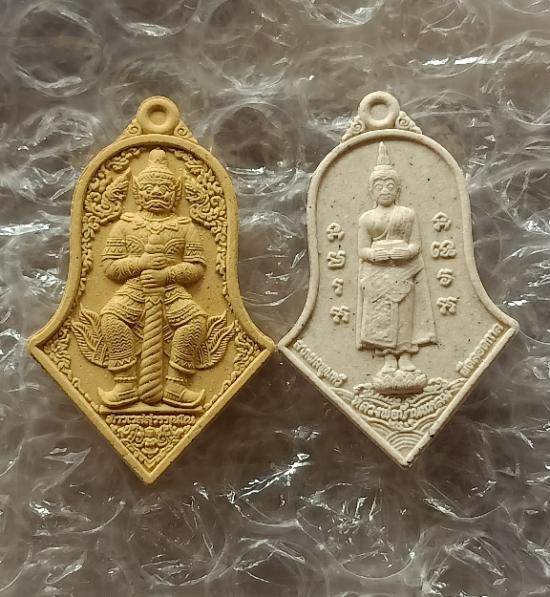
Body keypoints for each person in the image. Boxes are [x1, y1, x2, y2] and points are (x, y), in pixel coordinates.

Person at [99, 148, 207, 408]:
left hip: (171, 290)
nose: (157, 192)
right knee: (111, 318)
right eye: (149, 189)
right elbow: (109, 266)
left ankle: (177, 385)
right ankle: (125, 383)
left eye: (164, 189)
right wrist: (140, 264)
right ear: (138, 193)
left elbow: (197, 267)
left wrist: (166, 274)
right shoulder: (125, 224)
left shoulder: (184, 227)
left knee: (196, 322)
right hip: (134, 289)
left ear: (175, 194)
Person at [357, 142, 436, 379]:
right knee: (381, 315)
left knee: (404, 312)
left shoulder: (407, 215)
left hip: (403, 270)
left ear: (398, 190)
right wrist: (373, 255)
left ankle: (405, 355)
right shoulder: (367, 218)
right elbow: (362, 249)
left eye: (390, 186)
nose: (385, 190)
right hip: (377, 273)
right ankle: (388, 357)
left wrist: (407, 253)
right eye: (379, 186)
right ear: (371, 191)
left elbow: (416, 245)